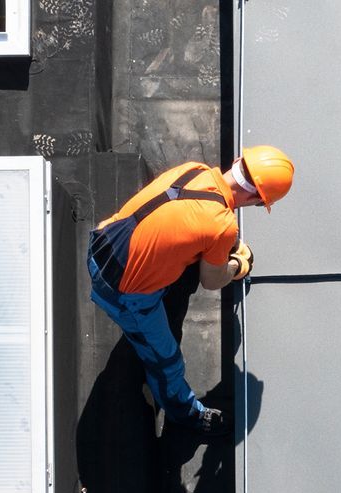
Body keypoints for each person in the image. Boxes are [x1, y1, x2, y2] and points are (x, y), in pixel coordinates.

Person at [88, 147, 295, 433]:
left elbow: (177, 221)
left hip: (103, 243)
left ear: (237, 162)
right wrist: (237, 264)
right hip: (121, 291)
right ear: (257, 199)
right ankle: (186, 414)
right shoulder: (221, 226)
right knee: (166, 360)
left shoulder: (193, 170)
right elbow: (212, 281)